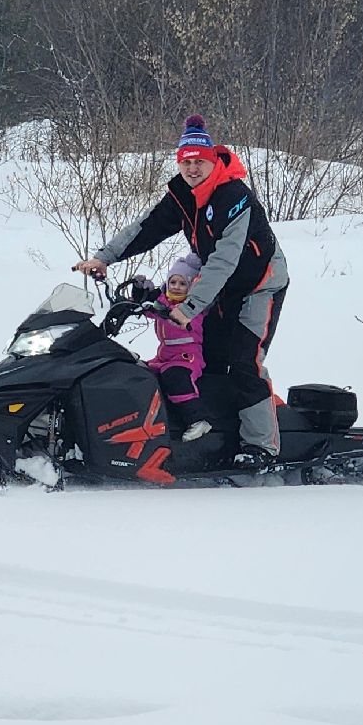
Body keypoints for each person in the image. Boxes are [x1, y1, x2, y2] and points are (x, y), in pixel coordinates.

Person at [74, 115, 289, 466]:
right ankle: (218, 434)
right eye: (186, 162)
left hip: (258, 285)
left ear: (212, 161)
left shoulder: (235, 197)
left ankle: (262, 447)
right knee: (211, 361)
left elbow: (224, 260)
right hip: (218, 288)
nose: (192, 168)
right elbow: (146, 228)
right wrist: (104, 258)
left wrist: (189, 307)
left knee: (244, 361)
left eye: (198, 162)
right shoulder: (184, 195)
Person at [145, 253, 212, 440]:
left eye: (182, 284)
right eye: (173, 282)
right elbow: (152, 309)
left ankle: (198, 420)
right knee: (140, 374)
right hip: (164, 356)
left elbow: (167, 314)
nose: (176, 287)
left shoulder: (193, 307)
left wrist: (163, 310)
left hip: (187, 356)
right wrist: (142, 293)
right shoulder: (164, 301)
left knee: (175, 378)